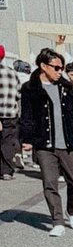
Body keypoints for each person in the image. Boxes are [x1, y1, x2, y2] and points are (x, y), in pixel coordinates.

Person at [19, 46, 73, 234]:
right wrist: (27, 139)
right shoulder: (30, 89)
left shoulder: (66, 87)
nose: (59, 72)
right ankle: (57, 221)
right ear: (43, 66)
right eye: (56, 67)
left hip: (68, 143)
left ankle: (72, 213)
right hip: (44, 145)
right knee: (50, 183)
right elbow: (26, 116)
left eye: (61, 68)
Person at [0, 45, 21, 180]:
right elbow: (18, 94)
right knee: (7, 142)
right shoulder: (12, 73)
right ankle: (6, 171)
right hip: (10, 114)